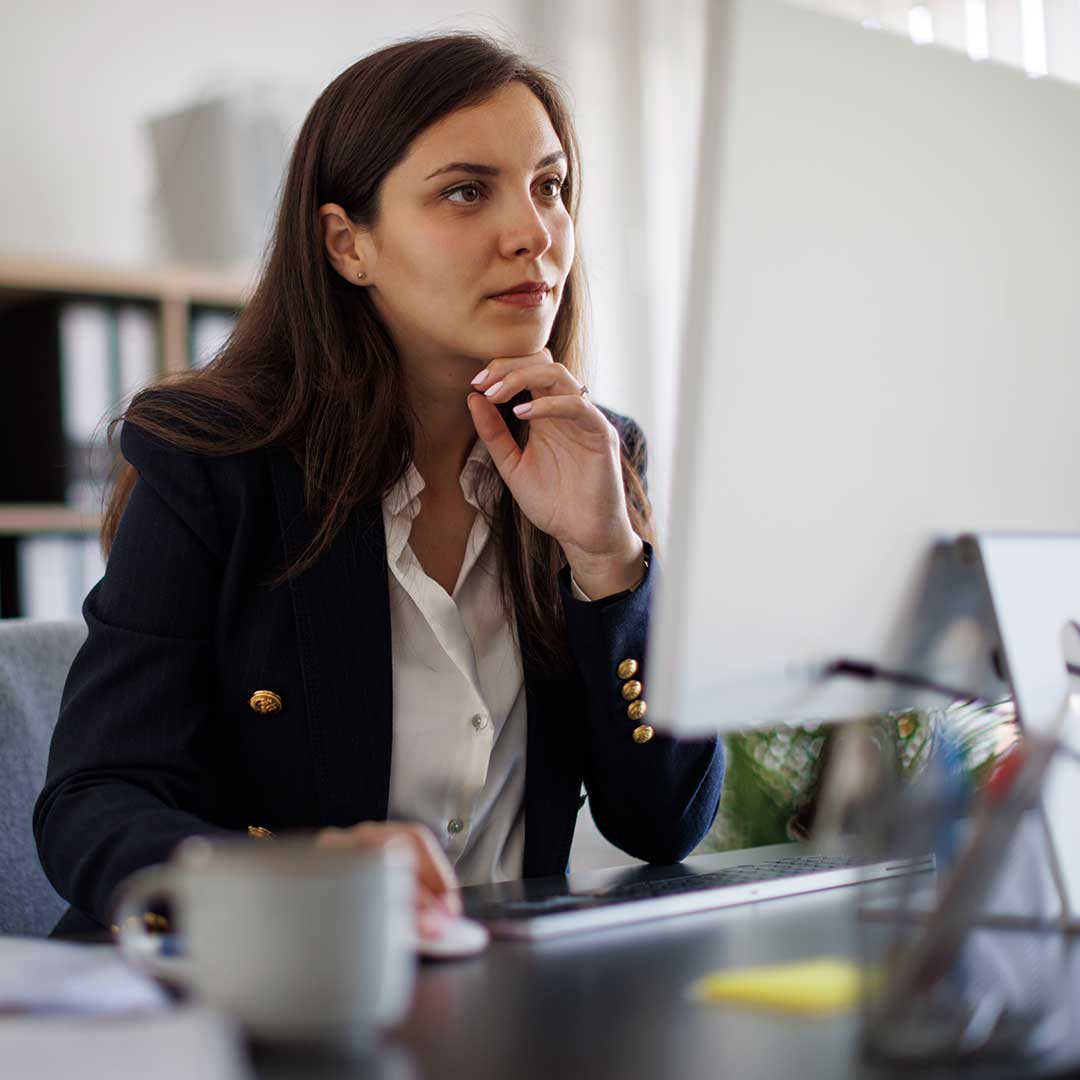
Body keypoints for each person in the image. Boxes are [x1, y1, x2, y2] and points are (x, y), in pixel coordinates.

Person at [34, 32, 725, 941]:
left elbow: (662, 822)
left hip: (498, 1004)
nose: (533, 233)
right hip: (264, 994)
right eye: (467, 191)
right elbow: (92, 801)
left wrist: (609, 560)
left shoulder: (593, 452)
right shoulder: (213, 461)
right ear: (347, 244)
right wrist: (295, 879)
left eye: (550, 186)